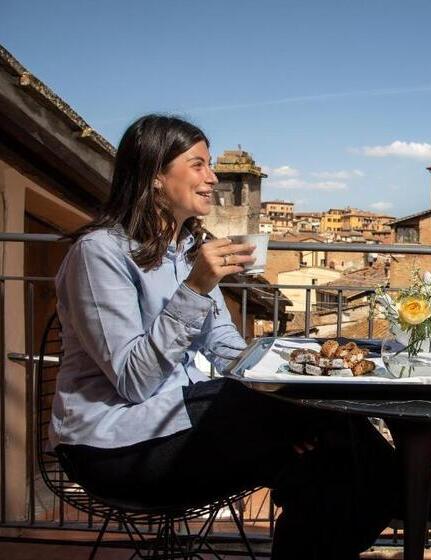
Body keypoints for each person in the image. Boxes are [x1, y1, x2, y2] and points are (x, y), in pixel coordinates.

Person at [50, 114, 396, 559]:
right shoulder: (99, 254)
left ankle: (392, 484)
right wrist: (195, 288)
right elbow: (134, 382)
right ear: (155, 175)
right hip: (114, 448)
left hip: (184, 427)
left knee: (328, 461)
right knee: (322, 427)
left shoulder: (187, 252)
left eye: (210, 165)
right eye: (198, 165)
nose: (212, 177)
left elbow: (229, 350)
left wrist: (299, 362)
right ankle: (413, 492)